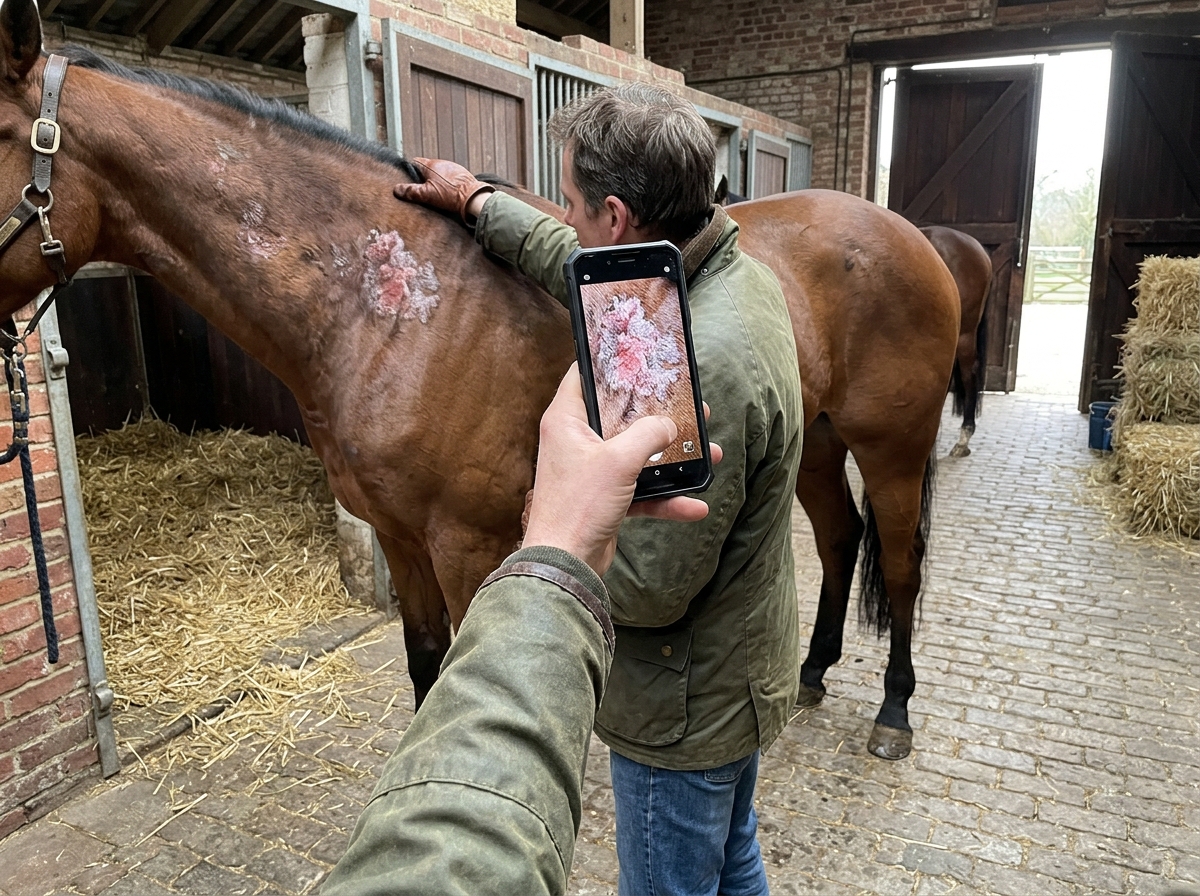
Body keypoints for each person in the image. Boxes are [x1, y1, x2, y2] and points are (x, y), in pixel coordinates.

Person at [394, 83, 804, 896]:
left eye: (576, 204)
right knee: (734, 859)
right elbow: (577, 264)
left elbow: (650, 588)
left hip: (681, 704)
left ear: (617, 217)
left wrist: (549, 531)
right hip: (735, 668)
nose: (572, 219)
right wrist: (479, 203)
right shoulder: (720, 268)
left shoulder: (695, 353)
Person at [321, 368, 721, 895]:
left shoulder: (717, 350)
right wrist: (565, 557)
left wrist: (554, 555)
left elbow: (457, 847)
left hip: (684, 706)